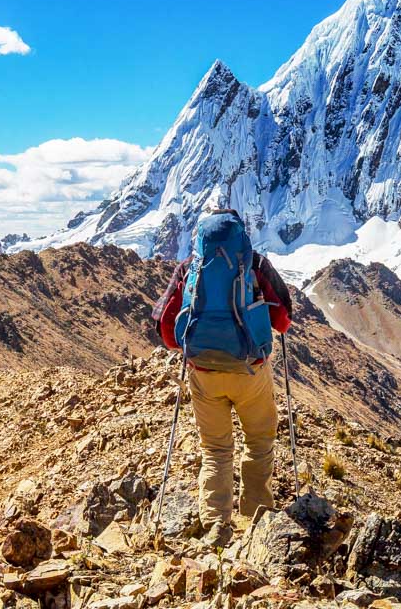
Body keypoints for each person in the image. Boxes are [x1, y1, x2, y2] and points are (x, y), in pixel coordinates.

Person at [152, 208, 293, 547]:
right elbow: (284, 320)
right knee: (259, 442)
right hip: (250, 371)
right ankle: (257, 518)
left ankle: (216, 523)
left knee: (215, 448)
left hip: (204, 373)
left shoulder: (190, 268)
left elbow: (166, 330)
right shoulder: (255, 264)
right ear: (240, 235)